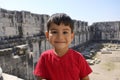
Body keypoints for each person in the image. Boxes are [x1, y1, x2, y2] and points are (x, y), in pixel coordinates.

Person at [34, 13, 92, 80]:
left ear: (72, 36)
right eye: (54, 32)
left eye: (65, 32)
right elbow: (40, 78)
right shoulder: (44, 57)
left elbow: (85, 78)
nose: (60, 37)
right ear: (47, 35)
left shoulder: (78, 58)